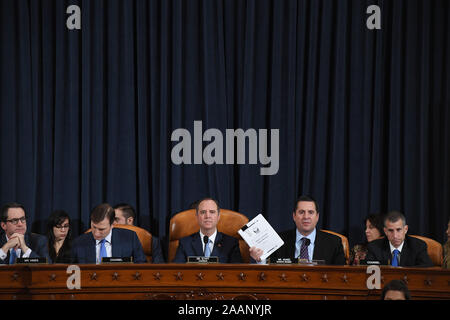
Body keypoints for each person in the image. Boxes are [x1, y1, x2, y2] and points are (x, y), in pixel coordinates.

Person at [250, 195, 345, 265]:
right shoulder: (278, 241)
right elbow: (269, 273)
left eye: (311, 212)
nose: (306, 217)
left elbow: (340, 276)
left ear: (317, 217)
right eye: (301, 212)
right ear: (294, 216)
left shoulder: (334, 243)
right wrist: (260, 260)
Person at [71, 203, 147, 264]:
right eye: (94, 227)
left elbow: (141, 266)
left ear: (112, 225)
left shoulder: (130, 238)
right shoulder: (78, 243)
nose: (96, 233)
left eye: (101, 229)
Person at [173, 198, 242, 263]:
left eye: (212, 212)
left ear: (218, 216)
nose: (207, 216)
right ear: (197, 216)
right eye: (203, 212)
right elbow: (177, 271)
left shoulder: (231, 243)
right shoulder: (185, 243)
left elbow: (237, 272)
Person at [365, 211, 433, 267]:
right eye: (391, 231)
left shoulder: (418, 246)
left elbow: (426, 268)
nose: (395, 236)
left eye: (398, 230)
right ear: (385, 231)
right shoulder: (374, 247)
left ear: (405, 229)